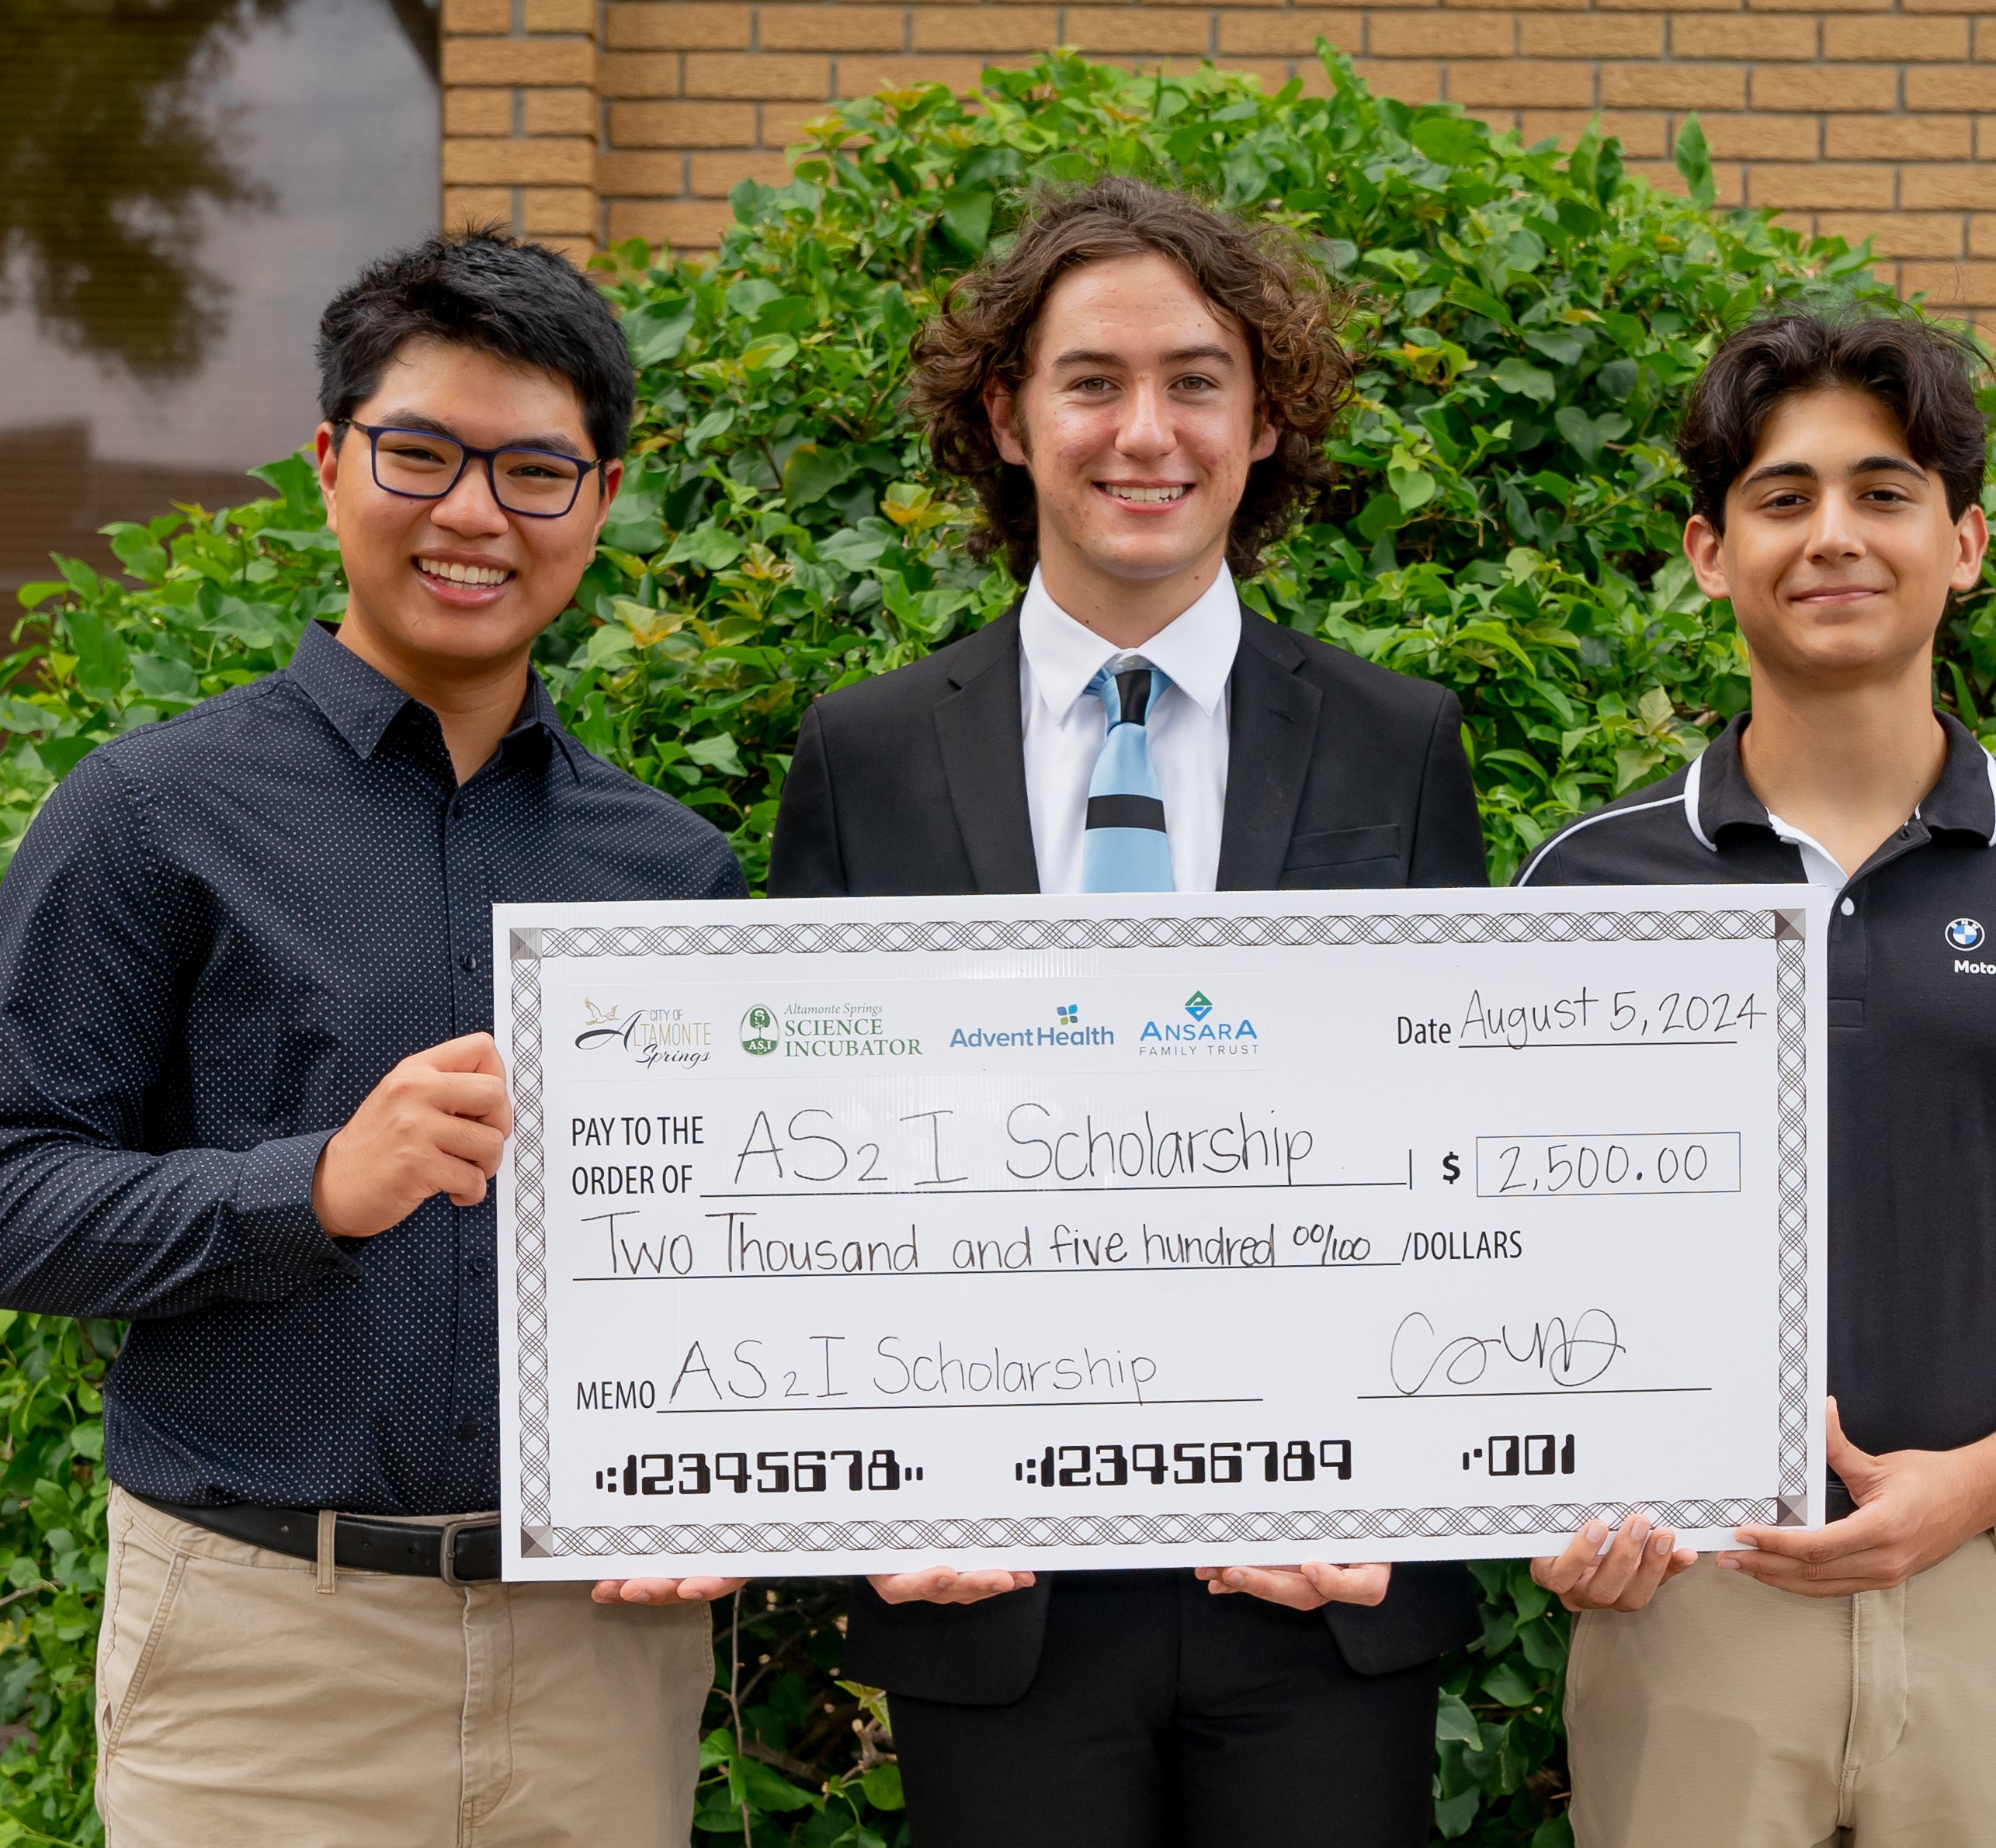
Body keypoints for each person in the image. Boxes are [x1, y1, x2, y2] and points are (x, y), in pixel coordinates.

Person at [0, 228, 745, 1846]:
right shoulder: (152, 815)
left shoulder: (670, 866)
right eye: (422, 453)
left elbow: (723, 1248)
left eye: (534, 471)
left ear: (600, 501)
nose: (472, 514)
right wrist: (314, 1186)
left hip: (598, 1651)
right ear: (329, 462)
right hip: (261, 1650)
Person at [730, 177, 1487, 1846]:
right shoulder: (863, 755)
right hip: (991, 1587)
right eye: (1092, 382)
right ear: (1007, 419)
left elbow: (1451, 1157)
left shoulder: (1398, 742)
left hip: (1318, 1579)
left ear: (1264, 418)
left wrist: (1415, 1504)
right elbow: (806, 1170)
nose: (1144, 431)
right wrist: (860, 1501)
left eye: (1196, 379)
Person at [1515, 307, 1996, 1846]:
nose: (1833, 534)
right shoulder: (1587, 881)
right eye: (1782, 498)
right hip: (1687, 1601)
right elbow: (1496, 1263)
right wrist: (1541, 1501)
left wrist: (1973, 1487)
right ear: (1711, 550)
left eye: (1884, 490)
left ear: (1964, 542)